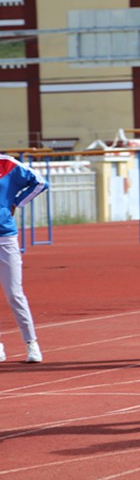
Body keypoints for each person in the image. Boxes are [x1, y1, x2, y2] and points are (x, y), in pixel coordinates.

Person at [0, 154, 48, 363]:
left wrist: (17, 203)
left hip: (5, 237)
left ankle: (31, 343)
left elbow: (40, 183)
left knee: (14, 293)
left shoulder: (8, 164)